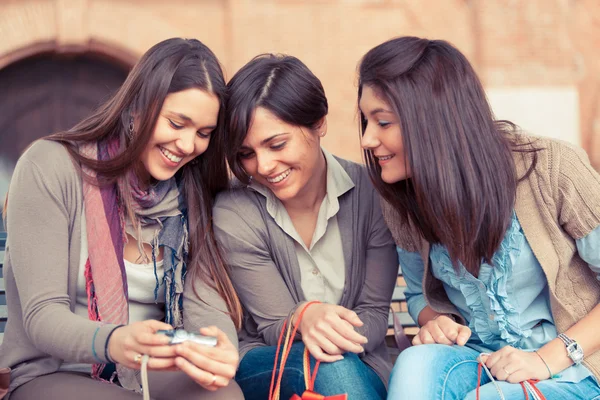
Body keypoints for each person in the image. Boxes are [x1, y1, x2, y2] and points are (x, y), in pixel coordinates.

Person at [357, 36, 600, 399]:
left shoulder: (554, 169)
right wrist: (436, 324)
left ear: (433, 119)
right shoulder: (401, 198)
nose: (366, 139)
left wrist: (545, 359)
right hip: (479, 360)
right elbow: (419, 297)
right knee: (414, 366)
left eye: (383, 122)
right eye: (365, 121)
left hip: (573, 368)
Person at [0, 38, 243, 400]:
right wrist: (115, 340)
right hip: (52, 370)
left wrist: (218, 346)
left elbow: (205, 302)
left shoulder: (189, 192)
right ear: (137, 108)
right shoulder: (49, 166)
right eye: (177, 123)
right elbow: (43, 316)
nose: (188, 145)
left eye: (204, 133)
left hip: (145, 369)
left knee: (223, 395)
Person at [215, 54, 397, 399]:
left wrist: (330, 333)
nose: (264, 166)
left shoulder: (374, 196)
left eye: (277, 144)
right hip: (269, 366)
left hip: (362, 366)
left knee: (334, 365)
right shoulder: (235, 211)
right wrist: (305, 316)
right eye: (246, 153)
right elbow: (271, 326)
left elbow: (373, 315)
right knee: (324, 364)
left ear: (319, 123)